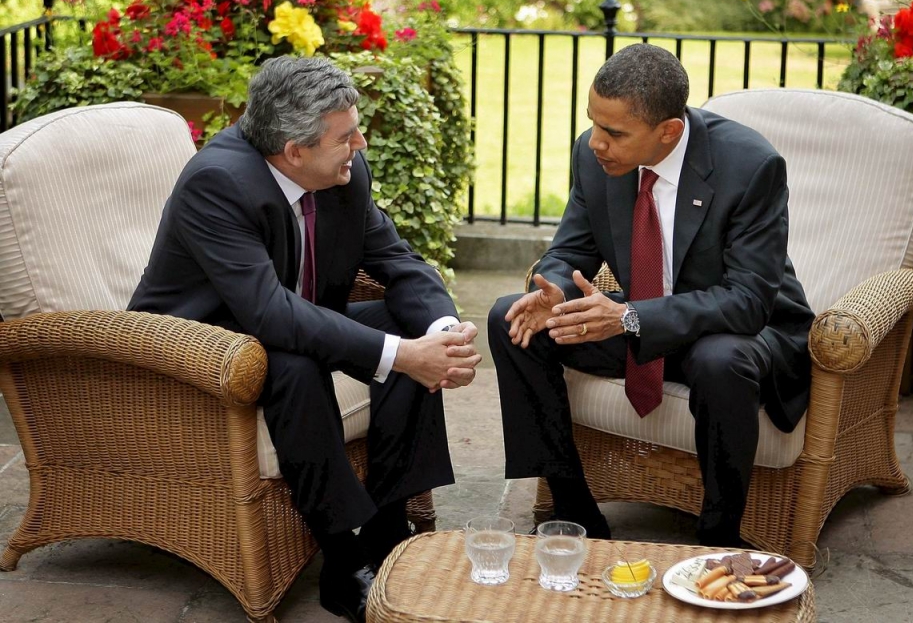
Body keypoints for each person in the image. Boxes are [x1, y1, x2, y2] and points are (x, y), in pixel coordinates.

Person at [129, 55, 481, 623]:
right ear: (294, 151)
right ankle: (344, 560)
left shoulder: (344, 174)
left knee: (405, 328)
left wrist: (441, 336)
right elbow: (268, 313)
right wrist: (402, 357)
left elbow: (398, 260)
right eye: (346, 136)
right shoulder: (216, 183)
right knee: (293, 361)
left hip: (283, 325)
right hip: (192, 350)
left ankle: (390, 532)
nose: (361, 144)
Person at [488, 43, 814, 548]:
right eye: (593, 123)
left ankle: (719, 535)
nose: (596, 142)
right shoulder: (593, 156)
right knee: (508, 321)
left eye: (614, 132)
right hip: (643, 326)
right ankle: (572, 508)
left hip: (741, 332)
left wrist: (630, 317)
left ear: (669, 132)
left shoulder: (750, 166)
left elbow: (748, 300)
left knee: (719, 358)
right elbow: (570, 248)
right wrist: (549, 289)